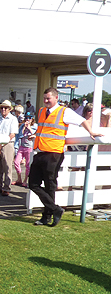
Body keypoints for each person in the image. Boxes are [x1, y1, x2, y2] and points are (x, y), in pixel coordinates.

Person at [29, 87, 102, 226]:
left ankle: (47, 216)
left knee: (50, 185)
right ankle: (55, 209)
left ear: (56, 98)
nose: (46, 101)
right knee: (33, 184)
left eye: (48, 98)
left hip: (54, 153)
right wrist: (35, 135)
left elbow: (81, 120)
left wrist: (91, 131)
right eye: (44, 98)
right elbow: (44, 128)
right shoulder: (42, 111)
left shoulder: (64, 111)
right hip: (40, 151)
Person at [0, 100, 19, 196]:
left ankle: (6, 187)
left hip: (7, 144)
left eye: (6, 108)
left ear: (10, 109)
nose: (3, 109)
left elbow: (12, 134)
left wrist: (1, 145)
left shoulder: (13, 119)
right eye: (2, 108)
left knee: (7, 166)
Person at [13, 112, 37, 187]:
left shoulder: (35, 126)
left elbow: (35, 135)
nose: (28, 119)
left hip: (29, 147)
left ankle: (25, 180)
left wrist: (30, 129)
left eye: (29, 118)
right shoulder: (22, 126)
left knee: (27, 165)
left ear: (32, 118)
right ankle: (19, 178)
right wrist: (24, 128)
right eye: (26, 117)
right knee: (16, 162)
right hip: (21, 146)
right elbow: (19, 135)